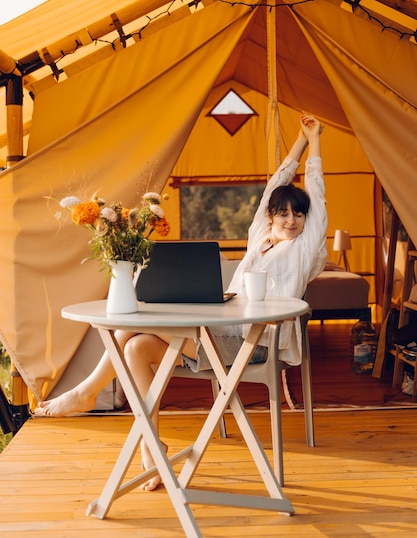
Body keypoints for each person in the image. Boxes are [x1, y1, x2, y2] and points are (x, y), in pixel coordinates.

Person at [35, 113, 327, 491]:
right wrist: (296, 146)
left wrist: (314, 141)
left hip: (253, 342)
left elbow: (316, 195)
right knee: (137, 347)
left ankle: (87, 391)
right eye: (283, 213)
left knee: (127, 324)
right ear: (269, 216)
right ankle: (151, 448)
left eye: (298, 214)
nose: (292, 220)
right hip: (218, 332)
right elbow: (275, 186)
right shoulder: (260, 238)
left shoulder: (305, 249)